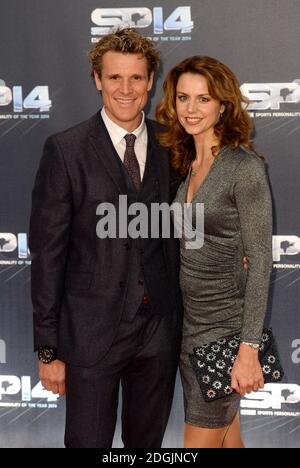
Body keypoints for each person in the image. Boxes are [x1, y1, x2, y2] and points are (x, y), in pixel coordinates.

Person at [29, 28, 183, 448]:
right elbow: (47, 255)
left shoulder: (175, 145)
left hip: (158, 331)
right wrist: (48, 348)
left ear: (151, 80)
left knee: (146, 448)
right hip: (89, 333)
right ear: (97, 79)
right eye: (115, 78)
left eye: (136, 77)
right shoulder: (66, 150)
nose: (126, 89)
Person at [156, 56, 273, 448]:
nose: (191, 109)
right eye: (183, 98)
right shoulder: (188, 162)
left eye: (203, 99)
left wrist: (248, 349)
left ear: (222, 105)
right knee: (227, 442)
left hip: (226, 331)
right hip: (191, 328)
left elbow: (259, 263)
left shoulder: (244, 168)